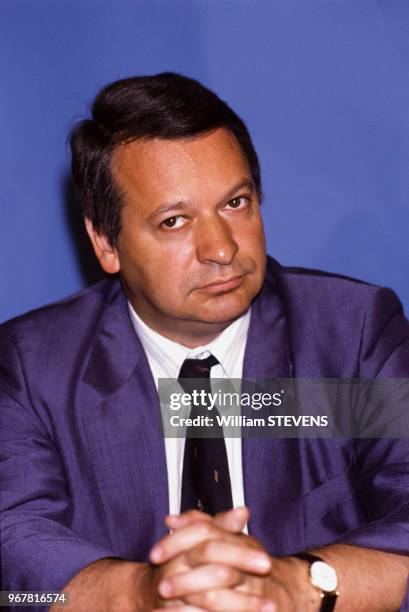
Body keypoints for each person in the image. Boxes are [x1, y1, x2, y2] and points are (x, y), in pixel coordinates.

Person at [1, 72, 408, 612]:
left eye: (236, 204)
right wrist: (147, 593)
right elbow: (18, 562)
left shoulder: (350, 333)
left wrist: (294, 585)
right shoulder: (35, 366)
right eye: (174, 221)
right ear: (106, 242)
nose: (220, 248)